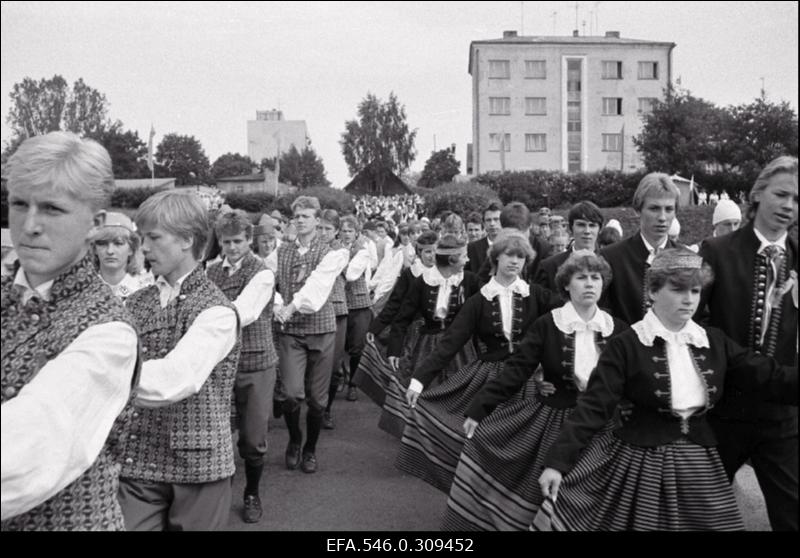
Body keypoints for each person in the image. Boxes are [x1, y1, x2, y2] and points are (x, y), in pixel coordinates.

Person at [535, 248, 797, 531]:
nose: (689, 299)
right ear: (654, 291)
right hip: (642, 463)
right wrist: (557, 462)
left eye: (695, 291)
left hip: (700, 463)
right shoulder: (628, 344)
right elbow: (594, 407)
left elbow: (768, 375)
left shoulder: (712, 340)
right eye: (678, 290)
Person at [1, 131, 138, 531]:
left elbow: (24, 454)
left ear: (94, 224)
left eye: (52, 209)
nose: (29, 226)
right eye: (18, 204)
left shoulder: (109, 330)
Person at [443, 251, 625, 530]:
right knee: (547, 495)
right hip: (555, 421)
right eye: (581, 277)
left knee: (589, 502)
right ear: (566, 284)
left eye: (596, 277)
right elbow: (517, 369)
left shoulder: (618, 330)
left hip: (604, 429)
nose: (590, 284)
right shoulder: (548, 324)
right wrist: (480, 409)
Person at [397, 231, 559, 493]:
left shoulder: (537, 295)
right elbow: (450, 342)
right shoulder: (478, 300)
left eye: (520, 256)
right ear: (496, 257)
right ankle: (480, 498)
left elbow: (565, 325)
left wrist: (549, 371)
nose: (515, 261)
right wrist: (418, 381)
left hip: (528, 381)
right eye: (509, 254)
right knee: (484, 441)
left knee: (523, 447)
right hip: (489, 377)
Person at [117, 190, 240, 531]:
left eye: (153, 237)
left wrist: (91, 378)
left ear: (187, 240)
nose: (143, 248)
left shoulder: (217, 311)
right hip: (136, 463)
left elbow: (178, 377)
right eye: (141, 238)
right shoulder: (135, 303)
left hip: (198, 468)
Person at [698, 156, 798, 531]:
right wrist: (741, 365)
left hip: (782, 417)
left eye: (797, 199)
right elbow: (698, 324)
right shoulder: (717, 251)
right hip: (723, 414)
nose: (789, 206)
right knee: (702, 516)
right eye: (781, 194)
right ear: (757, 194)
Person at [267, 196, 348, 474]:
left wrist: (290, 306)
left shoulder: (333, 252)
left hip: (322, 330)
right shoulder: (282, 251)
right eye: (296, 216)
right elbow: (268, 280)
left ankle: (311, 449)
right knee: (290, 394)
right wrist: (277, 303)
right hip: (292, 333)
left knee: (317, 400)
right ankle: (294, 440)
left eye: (306, 216)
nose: (300, 220)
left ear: (317, 220)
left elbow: (317, 287)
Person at [206, 209, 276, 524]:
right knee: (219, 434)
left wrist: (205, 316)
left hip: (255, 361)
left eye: (237, 241)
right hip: (219, 364)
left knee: (252, 437)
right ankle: (221, 494)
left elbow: (243, 313)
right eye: (226, 242)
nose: (232, 248)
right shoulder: (209, 271)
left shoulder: (261, 272)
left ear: (249, 240)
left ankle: (252, 492)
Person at [380, 234, 480, 437]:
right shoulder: (422, 282)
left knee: (460, 396)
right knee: (425, 394)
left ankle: (455, 443)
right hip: (427, 345)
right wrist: (395, 350)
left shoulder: (470, 280)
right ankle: (424, 443)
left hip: (461, 347)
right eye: (463, 256)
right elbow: (403, 317)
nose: (467, 260)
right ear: (452, 260)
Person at [353, 231, 437, 406]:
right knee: (410, 376)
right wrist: (376, 327)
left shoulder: (448, 275)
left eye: (436, 251)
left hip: (439, 334)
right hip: (413, 334)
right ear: (419, 252)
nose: (432, 255)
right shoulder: (410, 274)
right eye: (427, 251)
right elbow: (395, 303)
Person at [600, 173, 682, 326]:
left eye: (669, 209)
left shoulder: (687, 259)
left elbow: (699, 316)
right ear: (638, 210)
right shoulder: (611, 258)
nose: (662, 217)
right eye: (654, 208)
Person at [316, 210, 349, 431]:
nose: (323, 233)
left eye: (328, 229)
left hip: (336, 310)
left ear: (336, 231)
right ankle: (314, 405)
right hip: (315, 313)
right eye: (320, 228)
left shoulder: (340, 251)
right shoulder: (310, 246)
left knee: (334, 364)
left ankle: (326, 409)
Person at [534, 201, 604, 297]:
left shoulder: (612, 263)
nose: (587, 231)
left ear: (599, 229)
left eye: (592, 225)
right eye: (581, 225)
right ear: (571, 228)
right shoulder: (549, 267)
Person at [339, 216, 373, 402]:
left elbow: (351, 274)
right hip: (339, 302)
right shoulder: (333, 248)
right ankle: (341, 375)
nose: (346, 234)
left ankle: (353, 384)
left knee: (357, 348)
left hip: (359, 304)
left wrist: (340, 257)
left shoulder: (363, 251)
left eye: (350, 231)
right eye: (343, 230)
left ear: (357, 233)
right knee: (338, 347)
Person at [89, 211, 152, 300]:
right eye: (102, 244)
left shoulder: (145, 290)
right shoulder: (83, 288)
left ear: (131, 248)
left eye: (118, 243)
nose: (110, 251)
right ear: (94, 249)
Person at [467, 202, 502, 274]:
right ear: (484, 223)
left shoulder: (513, 246)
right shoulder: (472, 248)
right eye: (488, 220)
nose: (492, 224)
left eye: (496, 219)